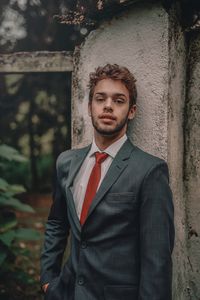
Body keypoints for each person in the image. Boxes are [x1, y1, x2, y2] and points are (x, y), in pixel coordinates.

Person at [40, 63, 175, 300]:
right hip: (66, 292)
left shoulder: (150, 170)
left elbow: (157, 259)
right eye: (100, 98)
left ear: (131, 111)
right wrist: (48, 279)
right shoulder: (66, 162)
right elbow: (56, 223)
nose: (108, 106)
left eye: (119, 100)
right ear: (90, 106)